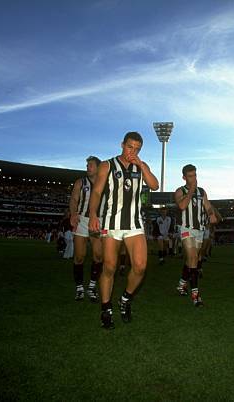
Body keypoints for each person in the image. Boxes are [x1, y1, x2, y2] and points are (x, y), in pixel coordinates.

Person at [88, 132, 159, 329]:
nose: (132, 151)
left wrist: (142, 164)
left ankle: (125, 299)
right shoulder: (107, 165)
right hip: (112, 223)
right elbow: (96, 191)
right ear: (122, 144)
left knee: (140, 266)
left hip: (134, 224)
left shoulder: (140, 166)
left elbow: (154, 185)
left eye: (136, 149)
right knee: (109, 267)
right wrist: (93, 214)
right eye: (130, 147)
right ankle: (106, 309)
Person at [174, 164, 217, 306]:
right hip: (186, 228)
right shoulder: (180, 191)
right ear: (184, 177)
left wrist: (211, 215)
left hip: (199, 229)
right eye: (190, 176)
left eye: (195, 175)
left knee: (192, 259)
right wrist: (191, 189)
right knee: (193, 258)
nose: (194, 178)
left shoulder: (202, 191)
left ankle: (181, 284)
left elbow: (208, 206)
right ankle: (195, 295)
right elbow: (182, 206)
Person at [69, 156, 103, 302]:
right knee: (79, 256)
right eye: (87, 165)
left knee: (98, 255)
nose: (87, 167)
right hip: (82, 220)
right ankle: (79, 288)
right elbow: (74, 199)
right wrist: (73, 213)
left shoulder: (106, 183)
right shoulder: (80, 182)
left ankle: (92, 286)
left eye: (90, 165)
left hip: (98, 221)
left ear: (98, 167)